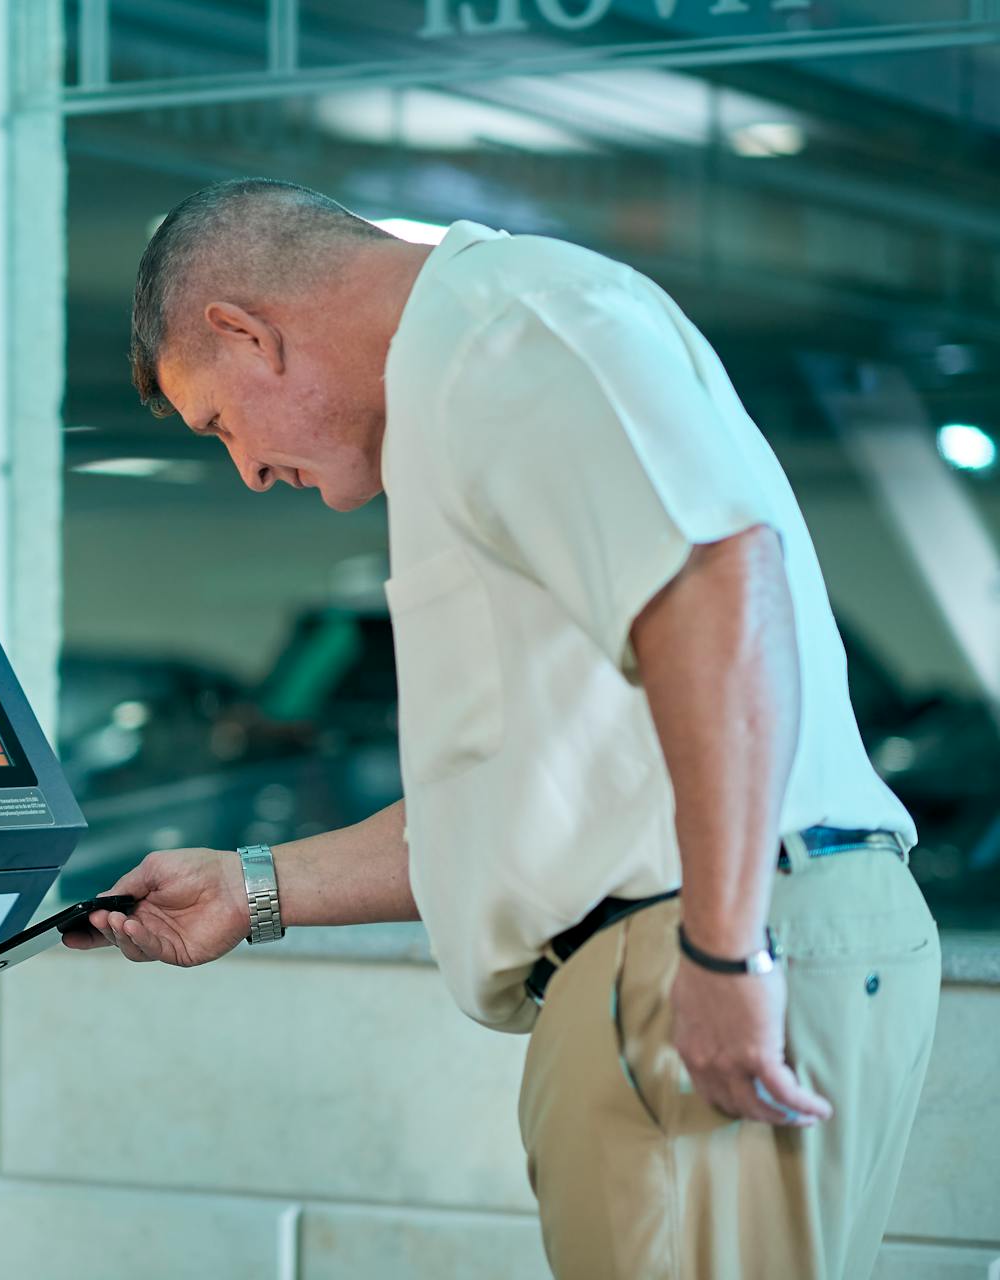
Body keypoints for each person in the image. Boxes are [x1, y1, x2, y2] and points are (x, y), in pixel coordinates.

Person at [69, 179, 940, 1279]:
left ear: (244, 330)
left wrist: (722, 945)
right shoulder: (462, 385)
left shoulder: (506, 332)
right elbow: (528, 796)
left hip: (693, 943)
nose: (246, 471)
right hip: (683, 941)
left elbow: (722, 585)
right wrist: (253, 885)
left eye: (220, 421)